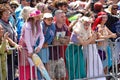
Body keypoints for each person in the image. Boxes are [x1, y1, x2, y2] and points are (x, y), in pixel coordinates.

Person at [19, 9, 44, 80]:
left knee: (32, 66)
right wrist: (30, 51)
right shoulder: (27, 25)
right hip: (24, 47)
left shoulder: (39, 25)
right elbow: (27, 39)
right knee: (25, 65)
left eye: (39, 16)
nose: (38, 17)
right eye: (36, 16)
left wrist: (39, 46)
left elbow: (42, 37)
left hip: (31, 47)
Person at [49, 10, 70, 80]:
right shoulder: (52, 26)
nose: (64, 18)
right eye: (62, 17)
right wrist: (62, 40)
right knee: (51, 77)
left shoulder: (65, 27)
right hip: (50, 57)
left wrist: (59, 40)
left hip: (59, 56)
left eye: (64, 16)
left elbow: (67, 40)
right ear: (56, 17)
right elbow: (54, 42)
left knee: (62, 76)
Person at [36, 12, 56, 79]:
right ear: (44, 19)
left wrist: (47, 43)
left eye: (51, 19)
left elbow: (52, 35)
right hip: (38, 47)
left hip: (45, 47)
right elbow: (37, 36)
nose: (50, 21)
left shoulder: (53, 25)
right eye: (48, 19)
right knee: (38, 64)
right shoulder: (40, 25)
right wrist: (40, 44)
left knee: (45, 63)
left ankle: (45, 78)